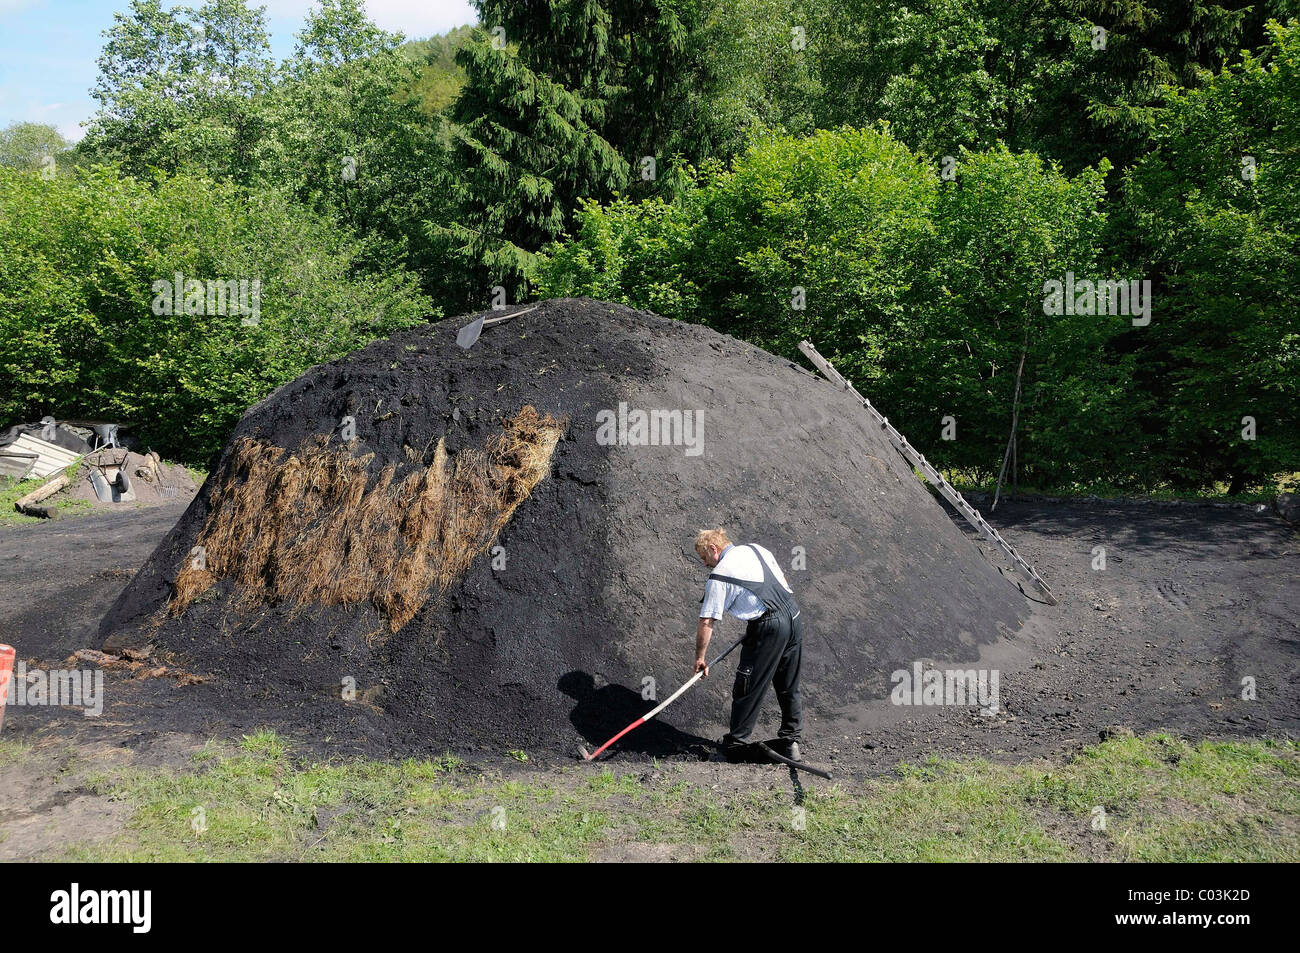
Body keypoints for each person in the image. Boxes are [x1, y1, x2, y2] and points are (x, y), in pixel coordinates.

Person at [693, 527, 804, 762]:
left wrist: (700, 658)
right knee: (788, 683)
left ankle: (735, 745)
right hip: (794, 615)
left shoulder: (719, 575)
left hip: (769, 625)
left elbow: (706, 621)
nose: (705, 564)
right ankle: (790, 740)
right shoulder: (756, 549)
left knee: (748, 683)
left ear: (713, 549)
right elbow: (780, 581)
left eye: (704, 558)